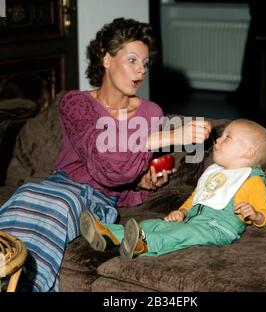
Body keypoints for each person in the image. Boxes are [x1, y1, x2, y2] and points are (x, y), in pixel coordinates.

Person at [0, 18, 211, 291]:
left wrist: (141, 182)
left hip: (95, 199)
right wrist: (169, 136)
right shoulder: (75, 103)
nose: (140, 71)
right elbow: (101, 156)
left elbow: (114, 174)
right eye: (132, 60)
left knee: (59, 207)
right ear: (107, 60)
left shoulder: (150, 113)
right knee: (23, 198)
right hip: (55, 184)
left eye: (145, 64)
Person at [80, 119, 266, 259]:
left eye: (227, 137)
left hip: (218, 228)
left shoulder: (250, 179)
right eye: (221, 135)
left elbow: (265, 212)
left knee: (180, 235)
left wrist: (255, 215)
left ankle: (145, 245)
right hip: (193, 220)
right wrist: (182, 211)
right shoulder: (214, 171)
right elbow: (196, 197)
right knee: (154, 225)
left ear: (248, 153)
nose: (218, 140)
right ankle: (109, 234)